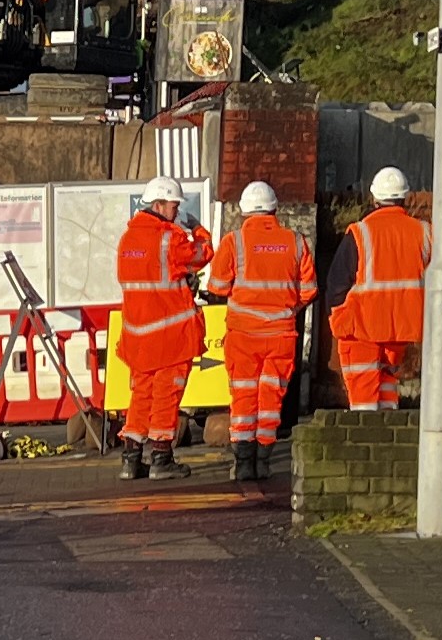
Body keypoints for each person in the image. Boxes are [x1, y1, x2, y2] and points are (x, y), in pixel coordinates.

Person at [210, 180, 315, 481]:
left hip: (244, 335)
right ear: (274, 209)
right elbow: (308, 290)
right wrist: (285, 310)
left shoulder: (234, 242)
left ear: (244, 211)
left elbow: (217, 286)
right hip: (281, 334)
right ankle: (263, 462)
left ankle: (243, 464)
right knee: (271, 398)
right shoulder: (295, 242)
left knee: (243, 395)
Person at [109, 176, 205, 480]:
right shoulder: (170, 239)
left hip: (138, 336)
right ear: (159, 204)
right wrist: (197, 230)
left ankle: (131, 458)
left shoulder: (127, 240)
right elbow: (202, 255)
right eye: (174, 205)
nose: (176, 211)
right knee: (167, 394)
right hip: (170, 337)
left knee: (140, 396)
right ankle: (162, 458)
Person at [330, 166, 431, 411]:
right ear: (404, 197)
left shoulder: (360, 233)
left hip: (362, 328)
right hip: (401, 329)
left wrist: (339, 319)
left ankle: (366, 443)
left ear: (373, 198)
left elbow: (337, 284)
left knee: (363, 400)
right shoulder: (424, 232)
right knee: (387, 390)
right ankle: (386, 438)